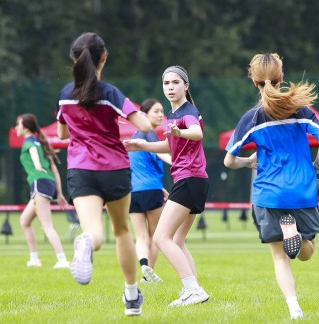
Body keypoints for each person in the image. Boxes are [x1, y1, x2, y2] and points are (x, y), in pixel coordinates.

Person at [223, 53, 319, 320]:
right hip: (302, 191)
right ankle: (297, 234)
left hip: (268, 193)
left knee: (280, 257)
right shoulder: (301, 110)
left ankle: (294, 308)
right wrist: (317, 165)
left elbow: (228, 161)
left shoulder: (252, 117)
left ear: (254, 82)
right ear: (282, 78)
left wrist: (248, 162)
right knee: (307, 252)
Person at [56, 32, 151, 317]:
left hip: (81, 169)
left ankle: (86, 243)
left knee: (92, 231)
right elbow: (144, 124)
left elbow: (62, 133)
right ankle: (132, 297)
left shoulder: (65, 94)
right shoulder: (110, 93)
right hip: (114, 169)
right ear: (104, 58)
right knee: (122, 231)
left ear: (74, 59)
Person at [124, 65, 210, 307]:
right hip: (195, 180)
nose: (170, 87)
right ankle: (193, 289)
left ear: (186, 86)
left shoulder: (187, 111)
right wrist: (142, 145)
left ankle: (192, 290)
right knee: (178, 240)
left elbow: (195, 133)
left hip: (189, 179)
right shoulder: (173, 116)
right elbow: (169, 146)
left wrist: (181, 132)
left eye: (175, 82)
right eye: (166, 83)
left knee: (162, 238)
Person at [15, 113, 70, 270]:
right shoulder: (41, 143)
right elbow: (54, 170)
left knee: (46, 226)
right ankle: (34, 259)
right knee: (25, 221)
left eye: (18, 124)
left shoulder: (30, 143)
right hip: (47, 184)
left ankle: (62, 260)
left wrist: (37, 164)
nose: (16, 127)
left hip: (40, 184)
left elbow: (32, 152)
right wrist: (59, 194)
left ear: (25, 128)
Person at [128, 98, 172, 284]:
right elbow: (159, 153)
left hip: (133, 193)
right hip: (151, 190)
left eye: (162, 111)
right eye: (156, 111)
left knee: (140, 236)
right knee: (157, 235)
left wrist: (161, 187)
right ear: (144, 115)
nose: (161, 114)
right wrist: (178, 163)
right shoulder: (150, 134)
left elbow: (139, 168)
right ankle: (148, 275)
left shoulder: (134, 136)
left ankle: (143, 263)